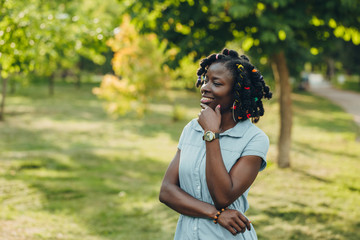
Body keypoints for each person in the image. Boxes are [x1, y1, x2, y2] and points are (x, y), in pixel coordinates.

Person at [159, 48, 272, 240]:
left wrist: (212, 134)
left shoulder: (254, 139)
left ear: (236, 93)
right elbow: (167, 191)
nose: (205, 87)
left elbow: (223, 196)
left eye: (216, 83)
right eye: (205, 80)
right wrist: (215, 214)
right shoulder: (191, 129)